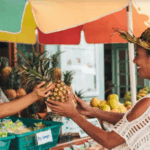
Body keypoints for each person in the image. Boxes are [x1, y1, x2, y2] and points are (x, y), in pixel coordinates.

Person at [46, 27, 150, 150]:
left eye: (137, 54)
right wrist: (92, 111)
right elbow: (131, 121)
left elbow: (109, 141)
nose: (134, 60)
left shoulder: (147, 103)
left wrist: (74, 115)